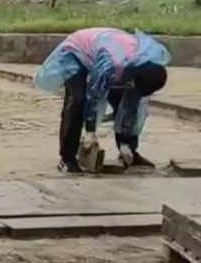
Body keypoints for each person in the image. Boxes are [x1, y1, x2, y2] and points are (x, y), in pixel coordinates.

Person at [34, 27, 170, 174]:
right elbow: (94, 95)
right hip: (76, 50)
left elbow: (131, 106)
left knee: (126, 101)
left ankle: (128, 150)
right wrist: (90, 131)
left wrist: (126, 144)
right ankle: (67, 158)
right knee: (77, 101)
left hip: (110, 46)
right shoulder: (110, 65)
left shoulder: (149, 63)